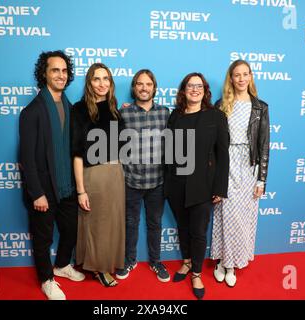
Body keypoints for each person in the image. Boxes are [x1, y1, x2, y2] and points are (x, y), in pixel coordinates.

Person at [19, 50, 85, 300]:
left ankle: (62, 265)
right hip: (45, 190)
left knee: (71, 230)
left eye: (64, 70)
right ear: (44, 74)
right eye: (54, 70)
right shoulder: (32, 111)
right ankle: (47, 279)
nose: (60, 75)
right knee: (44, 238)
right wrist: (37, 193)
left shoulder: (70, 107)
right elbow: (26, 158)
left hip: (67, 186)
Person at [165, 72, 229, 299]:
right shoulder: (175, 116)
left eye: (199, 86)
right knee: (182, 227)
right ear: (183, 90)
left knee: (198, 232)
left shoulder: (216, 116)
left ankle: (197, 273)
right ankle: (186, 261)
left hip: (203, 186)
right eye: (190, 86)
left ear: (205, 90)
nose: (195, 89)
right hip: (176, 185)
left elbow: (223, 154)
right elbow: (167, 150)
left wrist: (220, 188)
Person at [210, 59, 270, 287]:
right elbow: (213, 144)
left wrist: (262, 179)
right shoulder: (221, 104)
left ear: (251, 77)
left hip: (248, 165)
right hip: (226, 164)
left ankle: (233, 264)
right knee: (224, 214)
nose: (242, 78)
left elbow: (264, 145)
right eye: (237, 75)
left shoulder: (260, 107)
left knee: (242, 217)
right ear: (231, 78)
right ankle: (222, 262)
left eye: (246, 74)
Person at [71, 63, 125, 287]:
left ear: (111, 83)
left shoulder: (114, 109)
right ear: (89, 83)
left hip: (116, 172)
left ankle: (107, 262)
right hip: (94, 174)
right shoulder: (80, 109)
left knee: (112, 223)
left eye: (106, 79)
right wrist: (81, 189)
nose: (102, 84)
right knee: (97, 224)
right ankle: (100, 269)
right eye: (96, 79)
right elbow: (76, 153)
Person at [115, 69, 171, 282]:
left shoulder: (165, 113)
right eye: (139, 84)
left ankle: (156, 261)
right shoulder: (124, 114)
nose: (144, 88)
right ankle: (130, 260)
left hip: (157, 182)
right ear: (134, 87)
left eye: (148, 84)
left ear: (154, 88)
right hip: (131, 181)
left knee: (155, 223)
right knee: (130, 223)